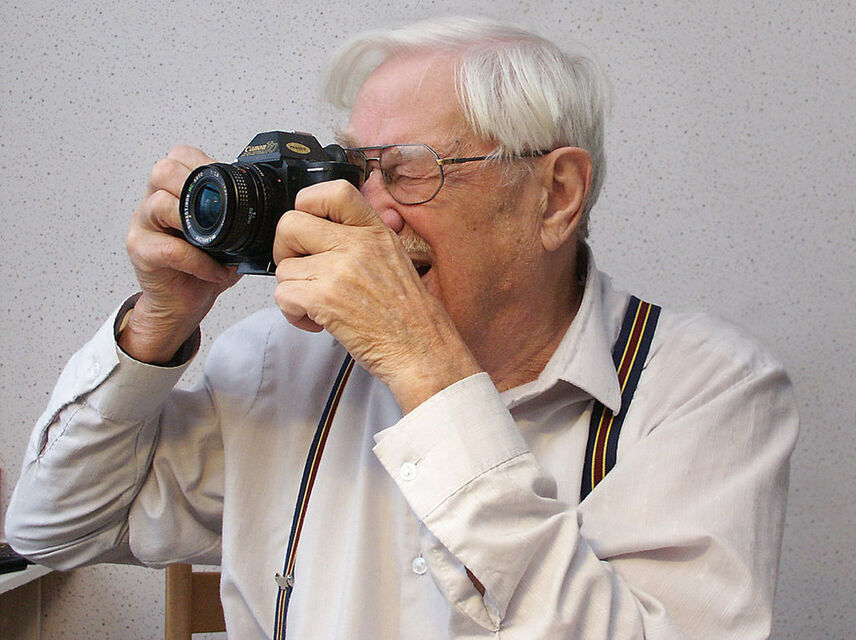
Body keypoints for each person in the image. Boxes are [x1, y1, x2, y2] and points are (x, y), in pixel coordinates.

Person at [5, 16, 797, 640]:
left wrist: (427, 374)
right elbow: (55, 529)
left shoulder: (705, 389)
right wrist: (158, 323)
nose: (367, 212)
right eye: (356, 170)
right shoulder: (284, 363)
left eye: (410, 169)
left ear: (556, 195)